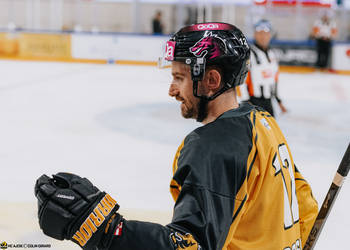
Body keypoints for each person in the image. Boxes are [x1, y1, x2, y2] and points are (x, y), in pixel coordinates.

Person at [34, 22, 318, 250]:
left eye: (179, 78)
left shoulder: (212, 147)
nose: (171, 90)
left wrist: (106, 230)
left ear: (212, 80)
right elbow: (305, 206)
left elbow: (190, 244)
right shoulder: (264, 122)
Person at [237, 19, 287, 117]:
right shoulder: (249, 54)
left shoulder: (272, 54)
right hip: (252, 102)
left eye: (266, 33)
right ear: (255, 34)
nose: (263, 36)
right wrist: (246, 102)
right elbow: (241, 81)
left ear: (270, 35)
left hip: (268, 103)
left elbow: (274, 80)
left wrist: (278, 101)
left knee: (270, 131)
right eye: (259, 33)